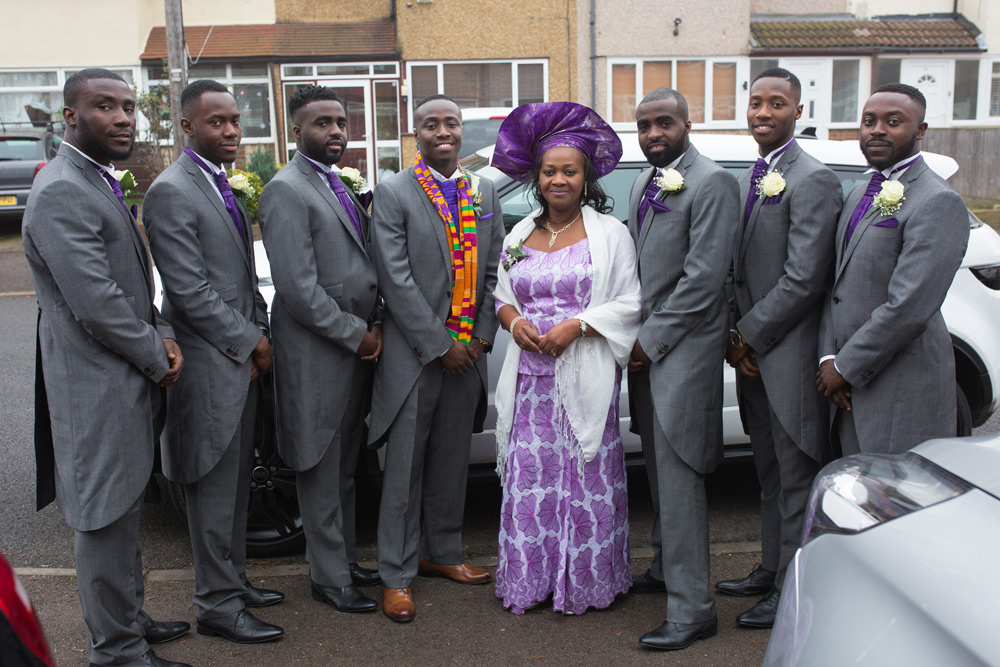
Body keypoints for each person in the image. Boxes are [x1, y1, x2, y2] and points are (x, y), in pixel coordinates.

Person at [22, 68, 189, 667]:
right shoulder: (63, 188)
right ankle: (116, 650)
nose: (123, 118)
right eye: (104, 107)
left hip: (123, 376)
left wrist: (162, 332)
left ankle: (130, 620)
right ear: (70, 116)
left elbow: (133, 286)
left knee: (122, 513)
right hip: (98, 386)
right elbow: (98, 305)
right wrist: (156, 356)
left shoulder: (95, 181)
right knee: (102, 519)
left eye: (127, 107)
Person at [143, 80, 283, 644]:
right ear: (186, 128)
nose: (230, 130)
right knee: (211, 492)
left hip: (239, 361)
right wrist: (251, 341)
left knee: (234, 490)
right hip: (208, 365)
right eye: (216, 122)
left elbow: (244, 278)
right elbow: (189, 291)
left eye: (234, 120)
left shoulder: (218, 184)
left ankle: (234, 582)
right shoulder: (172, 190)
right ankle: (216, 606)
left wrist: (260, 331)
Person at [490, 102, 641, 615]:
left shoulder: (609, 233)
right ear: (537, 176)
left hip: (585, 375)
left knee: (584, 478)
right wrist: (515, 322)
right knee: (532, 481)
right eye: (550, 171)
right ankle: (533, 579)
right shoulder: (519, 235)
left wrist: (576, 326)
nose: (559, 179)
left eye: (569, 171)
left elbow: (629, 301)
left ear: (585, 176)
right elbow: (501, 293)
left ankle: (586, 580)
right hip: (530, 383)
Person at [368, 94, 504, 622]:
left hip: (468, 353)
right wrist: (440, 345)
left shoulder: (483, 187)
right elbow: (394, 279)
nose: (442, 131)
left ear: (460, 132)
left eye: (450, 123)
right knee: (403, 470)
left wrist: (479, 339)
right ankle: (397, 575)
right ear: (416, 134)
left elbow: (493, 270)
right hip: (415, 356)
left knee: (450, 463)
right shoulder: (395, 191)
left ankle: (441, 553)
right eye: (431, 124)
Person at [715, 68, 841, 629]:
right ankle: (770, 566)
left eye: (776, 104)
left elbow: (804, 278)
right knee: (767, 471)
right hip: (751, 357)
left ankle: (792, 584)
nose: (763, 113)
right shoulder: (749, 177)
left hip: (786, 355)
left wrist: (749, 334)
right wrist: (734, 340)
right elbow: (735, 269)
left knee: (794, 477)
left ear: (796, 109)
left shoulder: (812, 178)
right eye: (756, 103)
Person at [258, 85, 382, 614]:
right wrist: (359, 333)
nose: (334, 131)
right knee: (320, 466)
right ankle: (328, 579)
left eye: (340, 121)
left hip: (352, 353)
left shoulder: (335, 184)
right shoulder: (286, 189)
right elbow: (298, 289)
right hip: (319, 353)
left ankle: (344, 560)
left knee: (345, 466)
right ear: (296, 131)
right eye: (321, 123)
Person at [626, 88, 740, 650]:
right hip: (648, 357)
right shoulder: (644, 183)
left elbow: (703, 279)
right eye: (644, 125)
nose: (653, 134)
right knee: (659, 476)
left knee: (681, 479)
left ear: (687, 123)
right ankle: (667, 569)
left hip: (682, 356)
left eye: (664, 123)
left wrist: (649, 340)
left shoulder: (712, 181)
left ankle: (694, 610)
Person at [817, 83, 969, 454]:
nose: (877, 130)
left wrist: (846, 366)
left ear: (920, 131)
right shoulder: (859, 192)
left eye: (893, 121)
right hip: (847, 382)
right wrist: (828, 358)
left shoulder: (938, 201)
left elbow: (910, 306)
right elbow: (834, 286)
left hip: (900, 383)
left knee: (899, 500)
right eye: (869, 121)